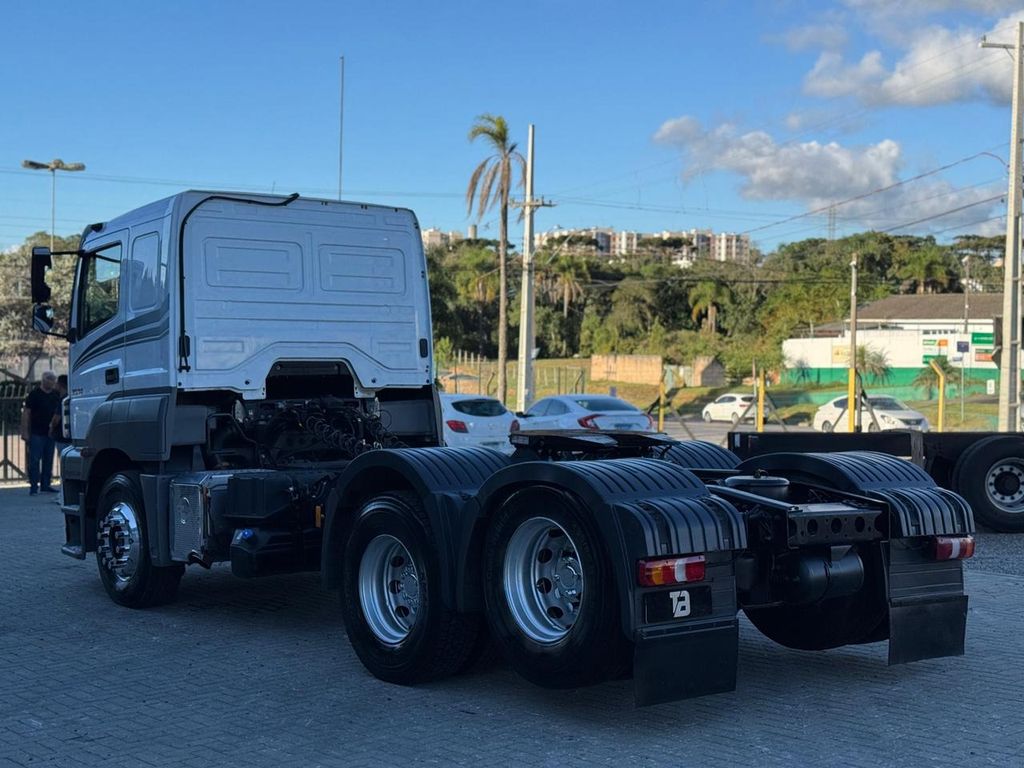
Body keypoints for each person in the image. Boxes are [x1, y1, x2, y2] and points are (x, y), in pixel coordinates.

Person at [21, 371, 61, 495]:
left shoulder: (55, 395)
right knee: (34, 459)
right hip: (36, 432)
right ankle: (33, 485)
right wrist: (25, 431)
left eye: (53, 380)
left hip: (50, 432)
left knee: (48, 460)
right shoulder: (34, 395)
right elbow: (27, 413)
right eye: (50, 379)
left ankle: (46, 484)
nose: (52, 382)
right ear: (44, 380)